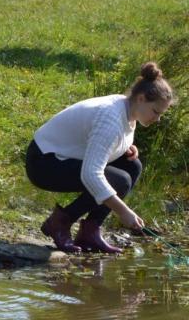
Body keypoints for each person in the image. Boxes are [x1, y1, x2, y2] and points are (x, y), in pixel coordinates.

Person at [25, 62, 173, 254]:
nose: (158, 119)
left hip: (63, 156)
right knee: (119, 180)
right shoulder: (110, 118)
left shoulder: (129, 108)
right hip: (43, 163)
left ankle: (90, 231)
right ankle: (60, 222)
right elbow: (90, 174)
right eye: (156, 112)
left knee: (132, 166)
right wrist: (123, 212)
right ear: (142, 98)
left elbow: (101, 139)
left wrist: (125, 148)